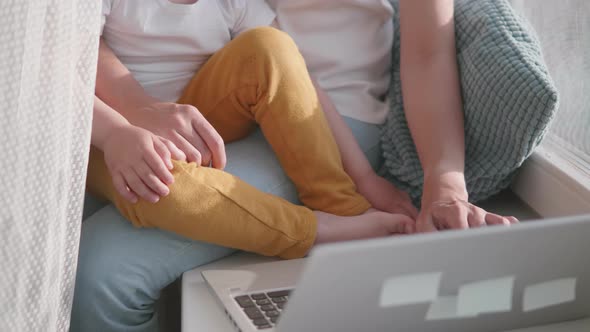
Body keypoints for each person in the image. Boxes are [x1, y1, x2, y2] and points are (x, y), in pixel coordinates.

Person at [72, 0, 516, 331]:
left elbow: (428, 53)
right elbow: (77, 42)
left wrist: (445, 185)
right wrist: (132, 111)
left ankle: (342, 216)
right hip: (193, 104)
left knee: (102, 274)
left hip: (330, 119)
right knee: (96, 270)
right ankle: (327, 226)